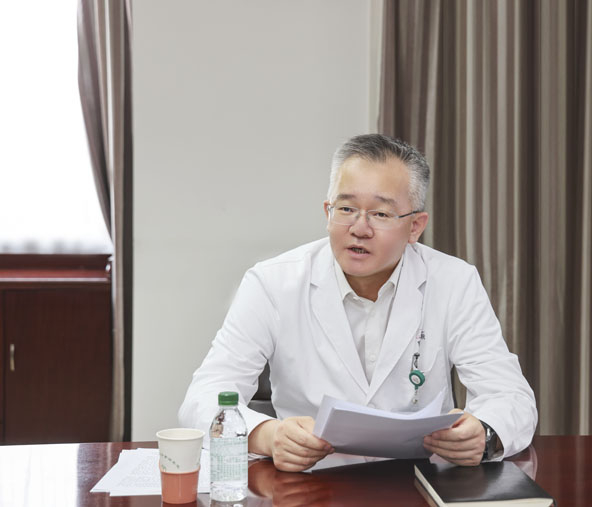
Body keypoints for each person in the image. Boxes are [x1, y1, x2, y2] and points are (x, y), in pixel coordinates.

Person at [179, 134, 537, 472]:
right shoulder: (272, 283)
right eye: (346, 208)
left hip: (418, 482)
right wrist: (267, 436)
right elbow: (203, 397)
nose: (359, 228)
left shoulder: (453, 281)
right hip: (310, 483)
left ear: (415, 226)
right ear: (327, 212)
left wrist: (484, 435)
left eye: (380, 214)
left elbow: (511, 396)